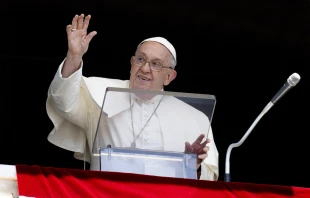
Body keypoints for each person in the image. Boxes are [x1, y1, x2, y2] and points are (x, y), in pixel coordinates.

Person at [46, 13, 219, 180]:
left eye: (156, 64)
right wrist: (74, 56)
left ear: (169, 77)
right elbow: (63, 101)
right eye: (141, 59)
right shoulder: (100, 95)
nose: (145, 68)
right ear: (131, 63)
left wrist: (193, 165)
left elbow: (209, 177)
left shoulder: (193, 118)